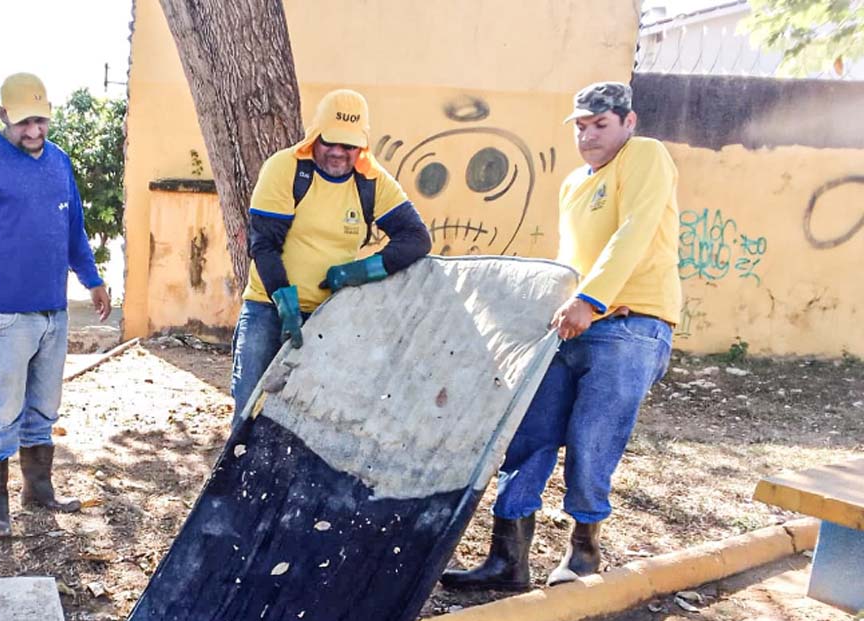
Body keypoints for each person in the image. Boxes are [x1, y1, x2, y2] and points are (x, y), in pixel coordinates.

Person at [442, 81, 681, 591]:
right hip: (570, 325)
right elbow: (569, 259)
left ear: (628, 122)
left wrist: (592, 300)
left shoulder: (645, 156)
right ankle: (507, 560)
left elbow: (635, 231)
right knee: (529, 435)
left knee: (593, 438)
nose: (588, 135)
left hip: (630, 324)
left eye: (601, 124)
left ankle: (584, 553)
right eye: (581, 126)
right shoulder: (573, 182)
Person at [0, 72, 111, 538]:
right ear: (2, 116)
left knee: (44, 409)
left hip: (53, 311)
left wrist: (93, 279)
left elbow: (73, 229)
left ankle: (38, 489)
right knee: (2, 411)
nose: (34, 131)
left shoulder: (59, 162)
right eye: (24, 123)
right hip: (4, 314)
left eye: (41, 121)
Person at [230, 89, 431, 421]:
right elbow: (264, 244)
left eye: (348, 145)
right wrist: (283, 301)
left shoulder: (371, 181)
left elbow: (417, 239)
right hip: (268, 307)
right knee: (250, 405)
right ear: (315, 136)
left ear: (361, 146)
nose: (338, 152)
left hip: (332, 314)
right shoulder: (285, 169)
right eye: (330, 142)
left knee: (313, 415)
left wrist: (360, 272)